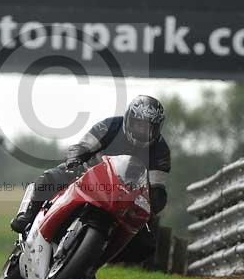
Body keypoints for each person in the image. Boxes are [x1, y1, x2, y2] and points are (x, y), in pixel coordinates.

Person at [10, 95, 170, 261]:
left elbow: (157, 186)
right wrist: (75, 159)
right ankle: (27, 216)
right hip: (89, 177)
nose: (143, 131)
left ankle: (100, 259)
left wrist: (153, 203)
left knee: (146, 245)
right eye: (139, 125)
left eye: (149, 127)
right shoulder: (111, 126)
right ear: (130, 120)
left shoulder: (160, 150)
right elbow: (83, 146)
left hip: (124, 196)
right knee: (50, 178)